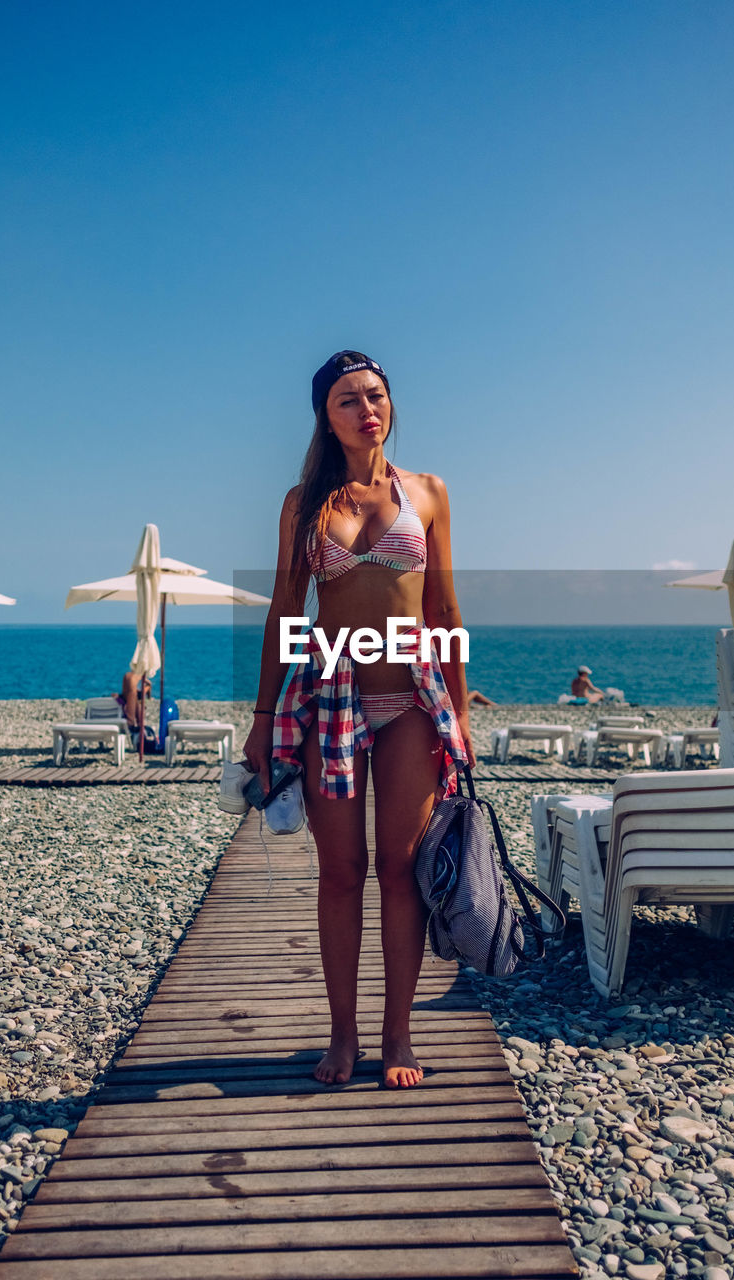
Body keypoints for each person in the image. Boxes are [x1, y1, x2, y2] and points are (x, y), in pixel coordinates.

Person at [244, 350, 475, 1090]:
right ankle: (341, 1036)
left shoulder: (429, 491)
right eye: (348, 399)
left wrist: (462, 712)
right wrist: (260, 718)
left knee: (400, 870)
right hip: (331, 696)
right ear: (326, 414)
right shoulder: (305, 502)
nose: (365, 409)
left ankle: (396, 1036)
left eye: (375, 396)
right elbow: (285, 612)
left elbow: (442, 609)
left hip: (410, 696)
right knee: (342, 872)